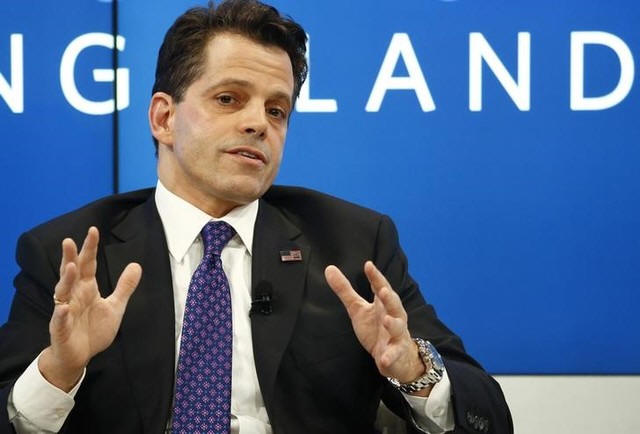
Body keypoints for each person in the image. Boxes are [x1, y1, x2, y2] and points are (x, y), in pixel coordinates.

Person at [0, 1, 512, 433]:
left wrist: (413, 369)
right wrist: (58, 372)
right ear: (164, 118)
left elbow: (487, 413)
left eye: (276, 110)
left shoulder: (353, 245)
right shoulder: (69, 255)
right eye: (229, 99)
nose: (258, 124)